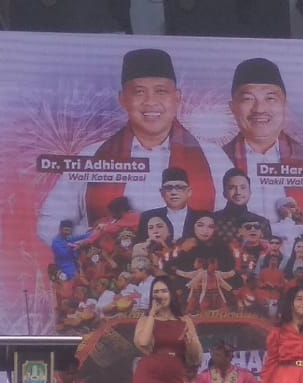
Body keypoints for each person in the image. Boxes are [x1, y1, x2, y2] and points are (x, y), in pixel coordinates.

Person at [36, 49, 229, 242]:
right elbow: (50, 222)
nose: (150, 102)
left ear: (177, 98)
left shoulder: (212, 157)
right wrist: (95, 239)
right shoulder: (91, 156)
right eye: (139, 92)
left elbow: (231, 222)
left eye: (161, 91)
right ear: (123, 99)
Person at [222, 58, 303, 232]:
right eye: (248, 99)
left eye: (270, 98)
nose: (259, 109)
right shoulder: (215, 162)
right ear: (232, 107)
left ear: (285, 104)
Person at [138, 167, 202, 243]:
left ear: (189, 192)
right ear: (162, 192)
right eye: (168, 188)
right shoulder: (148, 217)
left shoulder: (201, 218)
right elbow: (140, 244)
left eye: (179, 187)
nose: (174, 192)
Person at [214, 168, 272, 250]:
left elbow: (268, 253)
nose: (238, 192)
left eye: (243, 187)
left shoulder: (262, 223)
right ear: (224, 193)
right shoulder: (213, 220)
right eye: (232, 187)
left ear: (250, 192)